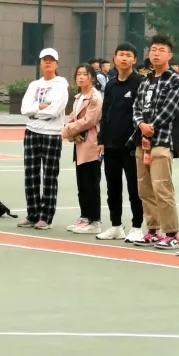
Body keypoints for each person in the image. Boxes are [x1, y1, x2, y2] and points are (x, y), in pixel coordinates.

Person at [132, 34, 179, 248]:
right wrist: (140, 125)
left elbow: (171, 108)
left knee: (162, 188)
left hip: (162, 141)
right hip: (142, 143)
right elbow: (136, 107)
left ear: (169, 55)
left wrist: (150, 127)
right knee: (144, 189)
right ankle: (153, 230)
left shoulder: (175, 79)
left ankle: (171, 233)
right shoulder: (145, 80)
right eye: (153, 49)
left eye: (161, 50)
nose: (156, 54)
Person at [97, 44, 144, 241]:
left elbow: (143, 113)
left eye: (128, 55)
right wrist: (102, 139)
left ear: (134, 60)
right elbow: (105, 113)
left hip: (131, 146)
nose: (124, 58)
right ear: (114, 59)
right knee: (113, 188)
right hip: (111, 145)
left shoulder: (140, 83)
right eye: (121, 55)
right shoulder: (111, 84)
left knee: (134, 188)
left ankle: (137, 227)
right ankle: (116, 225)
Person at [18, 49, 69, 229]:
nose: (48, 62)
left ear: (56, 64)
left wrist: (35, 111)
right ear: (40, 63)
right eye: (45, 60)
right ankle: (32, 214)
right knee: (31, 174)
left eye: (51, 60)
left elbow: (54, 110)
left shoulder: (61, 84)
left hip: (52, 134)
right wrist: (39, 108)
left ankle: (46, 216)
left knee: (49, 176)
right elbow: (24, 108)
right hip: (32, 131)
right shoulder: (34, 85)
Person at [63, 63, 103, 234]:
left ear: (92, 77)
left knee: (91, 183)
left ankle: (94, 220)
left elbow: (90, 120)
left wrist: (67, 129)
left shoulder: (95, 97)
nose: (81, 77)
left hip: (91, 144)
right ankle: (85, 216)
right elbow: (73, 116)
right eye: (78, 74)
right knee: (82, 183)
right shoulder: (79, 96)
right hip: (80, 143)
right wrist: (70, 127)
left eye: (85, 74)